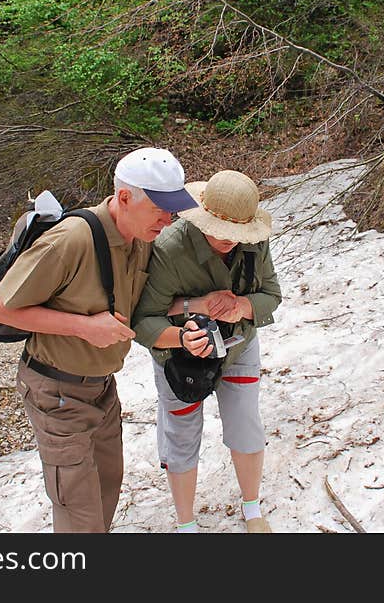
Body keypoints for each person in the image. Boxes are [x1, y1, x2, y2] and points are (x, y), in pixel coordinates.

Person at [0, 147, 198, 533]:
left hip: (102, 388)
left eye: (173, 211)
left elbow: (142, 304)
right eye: (160, 210)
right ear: (123, 198)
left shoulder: (141, 236)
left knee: (106, 488)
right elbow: (0, 308)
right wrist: (83, 327)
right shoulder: (71, 240)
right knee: (78, 510)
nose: (169, 221)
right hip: (57, 391)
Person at [132, 169, 283, 533]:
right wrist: (188, 320)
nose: (231, 239)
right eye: (222, 230)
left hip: (238, 345)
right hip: (178, 357)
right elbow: (142, 320)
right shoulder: (170, 249)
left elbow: (271, 296)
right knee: (181, 434)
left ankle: (252, 507)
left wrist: (242, 307)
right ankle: (186, 524)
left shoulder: (254, 242)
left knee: (246, 421)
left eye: (238, 232)